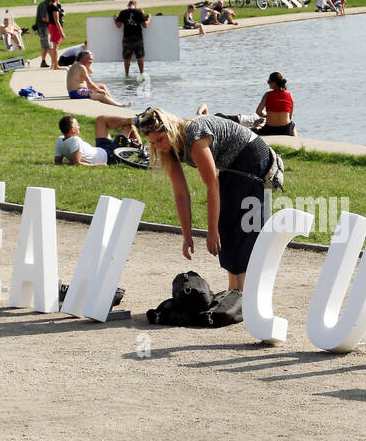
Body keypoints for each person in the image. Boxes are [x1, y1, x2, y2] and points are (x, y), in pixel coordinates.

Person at [133, 106, 276, 292]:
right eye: (152, 143)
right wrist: (186, 236)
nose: (158, 146)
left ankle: (241, 291)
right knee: (227, 225)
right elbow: (181, 194)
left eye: (160, 139)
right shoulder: (168, 147)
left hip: (253, 157)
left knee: (238, 226)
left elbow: (212, 185)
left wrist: (212, 231)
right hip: (232, 165)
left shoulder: (194, 136)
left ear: (170, 129)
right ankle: (236, 290)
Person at [54, 114, 140, 166]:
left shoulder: (60, 140)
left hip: (101, 148)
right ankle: (142, 152)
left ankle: (135, 120)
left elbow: (58, 161)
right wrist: (98, 165)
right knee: (129, 127)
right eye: (77, 125)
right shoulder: (74, 141)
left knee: (100, 119)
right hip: (111, 155)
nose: (79, 127)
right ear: (72, 129)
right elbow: (78, 163)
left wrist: (68, 162)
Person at [115, 0, 150, 76]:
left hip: (127, 38)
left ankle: (127, 74)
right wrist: (149, 17)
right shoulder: (139, 12)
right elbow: (145, 25)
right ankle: (141, 73)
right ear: (135, 5)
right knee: (140, 57)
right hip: (138, 38)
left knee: (127, 58)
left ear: (128, 5)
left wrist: (115, 18)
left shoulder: (123, 12)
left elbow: (118, 25)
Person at [255, 71, 296, 137]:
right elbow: (290, 117)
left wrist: (266, 116)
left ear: (274, 83)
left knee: (257, 129)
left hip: (270, 129)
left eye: (269, 82)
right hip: (285, 130)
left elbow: (258, 112)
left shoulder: (267, 95)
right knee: (292, 125)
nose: (268, 83)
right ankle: (296, 142)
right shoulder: (289, 95)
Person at [35, 0, 63, 70]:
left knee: (45, 46)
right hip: (43, 27)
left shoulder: (48, 5)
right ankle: (54, 63)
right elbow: (44, 19)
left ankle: (44, 61)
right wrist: (54, 18)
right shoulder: (44, 6)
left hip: (47, 26)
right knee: (49, 46)